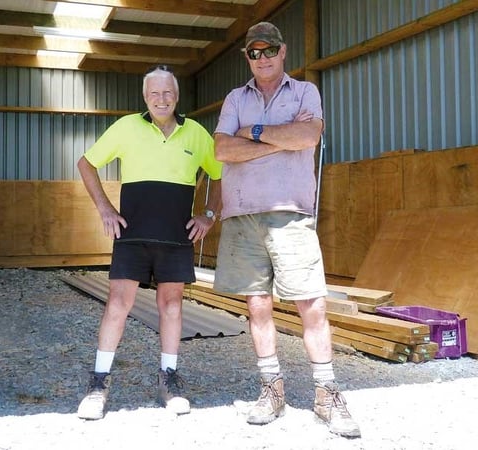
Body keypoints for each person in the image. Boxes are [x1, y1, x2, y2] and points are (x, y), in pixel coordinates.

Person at [212, 22, 361, 438]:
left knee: (312, 304)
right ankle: (271, 388)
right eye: (254, 52)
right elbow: (222, 149)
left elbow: (309, 134)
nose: (262, 58)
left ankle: (326, 392)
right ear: (247, 57)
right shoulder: (234, 98)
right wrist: (282, 139)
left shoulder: (304, 92)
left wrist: (255, 134)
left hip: (291, 213)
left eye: (269, 50)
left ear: (283, 52)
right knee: (257, 305)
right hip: (242, 214)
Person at [76, 65, 222, 420]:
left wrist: (208, 216)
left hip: (176, 237)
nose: (161, 99)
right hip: (132, 235)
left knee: (171, 305)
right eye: (154, 93)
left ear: (177, 96)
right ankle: (98, 384)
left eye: (168, 93)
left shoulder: (197, 134)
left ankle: (169, 380)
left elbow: (220, 175)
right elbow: (86, 163)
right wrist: (105, 209)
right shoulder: (127, 127)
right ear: (145, 97)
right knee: (117, 304)